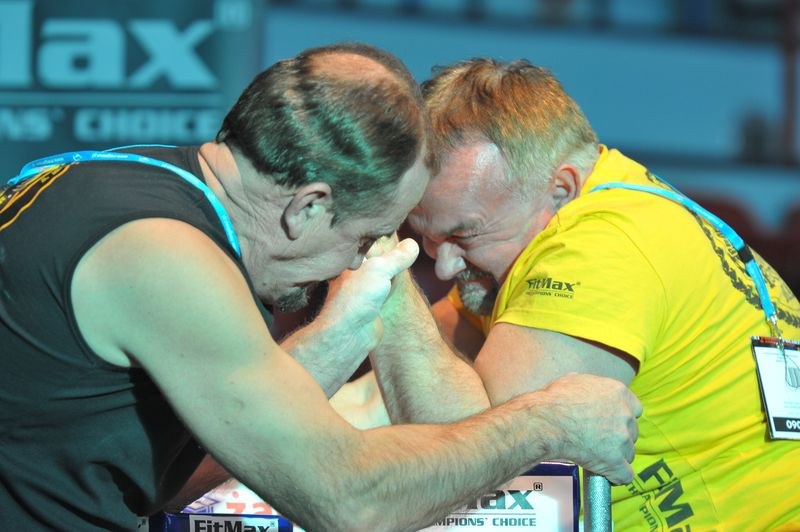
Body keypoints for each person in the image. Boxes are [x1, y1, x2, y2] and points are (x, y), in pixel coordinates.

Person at [0, 44, 641, 530]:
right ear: (308, 206)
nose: (361, 264)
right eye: (368, 239)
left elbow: (161, 477)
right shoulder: (166, 257)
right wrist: (543, 422)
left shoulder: (129, 180)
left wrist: (327, 346)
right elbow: (351, 502)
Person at [368, 57, 800, 530]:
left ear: (561, 188)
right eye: (428, 238)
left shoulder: (601, 248)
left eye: (463, 235)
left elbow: (466, 459)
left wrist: (379, 262)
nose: (444, 265)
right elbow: (387, 394)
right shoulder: (555, 220)